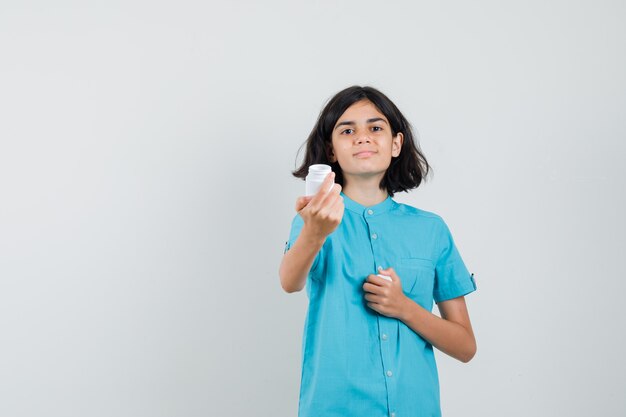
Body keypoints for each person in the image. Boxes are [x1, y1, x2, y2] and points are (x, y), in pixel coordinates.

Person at [279, 86, 477, 417]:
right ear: (331, 150)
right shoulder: (314, 218)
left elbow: (465, 346)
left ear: (396, 143)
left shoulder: (431, 230)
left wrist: (405, 308)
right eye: (347, 130)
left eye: (375, 127)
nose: (362, 137)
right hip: (336, 408)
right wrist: (315, 232)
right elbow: (289, 281)